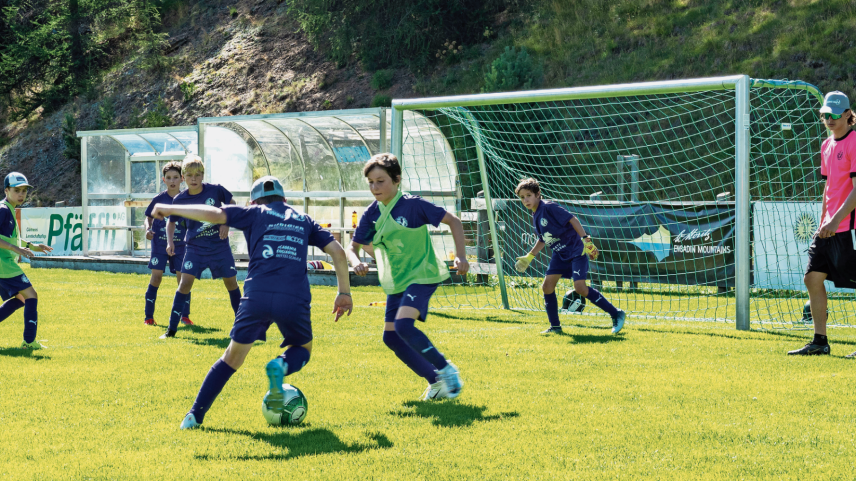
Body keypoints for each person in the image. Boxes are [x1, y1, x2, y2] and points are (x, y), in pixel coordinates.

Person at [151, 176, 353, 429]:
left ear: (253, 200)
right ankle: (280, 365)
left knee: (231, 358)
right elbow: (338, 252)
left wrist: (171, 208)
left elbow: (213, 214)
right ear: (285, 200)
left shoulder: (254, 213)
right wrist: (344, 292)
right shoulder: (304, 219)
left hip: (256, 294)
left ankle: (194, 416)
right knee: (302, 348)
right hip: (293, 296)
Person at [347, 153, 468, 401]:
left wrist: (461, 256)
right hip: (398, 281)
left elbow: (453, 221)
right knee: (391, 337)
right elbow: (352, 246)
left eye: (380, 181)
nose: (375, 187)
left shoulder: (413, 205)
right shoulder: (372, 213)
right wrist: (356, 261)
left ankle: (446, 370)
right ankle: (435, 381)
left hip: (423, 274)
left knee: (403, 326)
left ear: (397, 179)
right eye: (370, 182)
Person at [788, 91, 856, 356]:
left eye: (834, 115)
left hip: (849, 227)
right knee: (812, 278)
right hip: (828, 227)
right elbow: (829, 186)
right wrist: (823, 221)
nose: (829, 119)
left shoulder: (854, 142)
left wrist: (837, 219)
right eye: (825, 115)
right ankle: (820, 341)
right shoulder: (827, 146)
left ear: (848, 115)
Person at [513, 177, 625, 335]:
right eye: (522, 197)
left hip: (576, 251)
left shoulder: (549, 207)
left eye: (528, 195)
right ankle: (555, 327)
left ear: (538, 194)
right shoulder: (536, 215)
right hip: (560, 254)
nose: (525, 199)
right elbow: (543, 239)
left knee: (580, 288)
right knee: (547, 286)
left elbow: (573, 219)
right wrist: (529, 257)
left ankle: (616, 314)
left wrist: (586, 240)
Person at [161, 155, 240, 339]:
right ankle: (171, 331)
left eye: (197, 174)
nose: (193, 178)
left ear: (203, 175)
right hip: (195, 248)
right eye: (189, 175)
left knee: (231, 284)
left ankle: (242, 329)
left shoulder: (216, 191)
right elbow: (171, 222)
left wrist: (226, 223)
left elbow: (232, 205)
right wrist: (170, 241)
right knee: (184, 285)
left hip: (219, 247)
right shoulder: (180, 200)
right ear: (183, 178)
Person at [0, 172, 53, 349]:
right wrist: (17, 249)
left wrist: (32, 245)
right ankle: (29, 342)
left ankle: (28, 341)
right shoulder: (3, 210)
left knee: (22, 299)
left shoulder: (9, 209)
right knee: (31, 296)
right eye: (17, 190)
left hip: (5, 264)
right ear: (6, 190)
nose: (21, 194)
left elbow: (10, 238)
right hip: (5, 265)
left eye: (24, 191)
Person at [142, 162, 191, 326]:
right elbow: (148, 217)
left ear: (182, 179)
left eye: (176, 177)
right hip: (159, 244)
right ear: (164, 180)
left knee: (183, 281)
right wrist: (148, 229)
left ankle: (184, 316)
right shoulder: (159, 199)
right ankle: (148, 317)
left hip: (181, 246)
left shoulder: (186, 199)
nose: (172, 181)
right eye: (169, 178)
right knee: (156, 278)